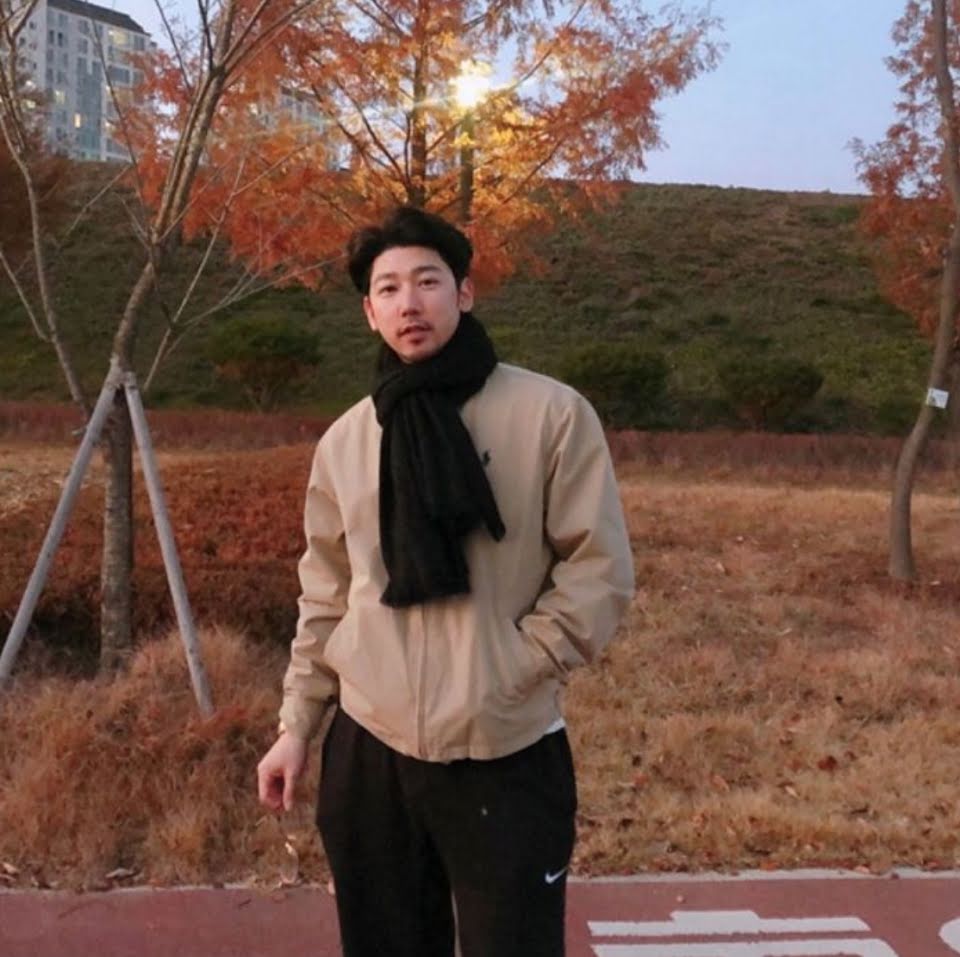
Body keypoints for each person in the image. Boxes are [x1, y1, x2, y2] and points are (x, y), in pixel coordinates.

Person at [256, 206, 634, 957]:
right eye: (388, 288)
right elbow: (327, 595)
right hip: (372, 749)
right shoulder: (348, 440)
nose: (410, 302)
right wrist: (296, 726)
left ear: (464, 291)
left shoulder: (551, 415)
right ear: (369, 312)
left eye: (428, 281)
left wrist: (517, 665)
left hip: (504, 744)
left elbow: (599, 567)